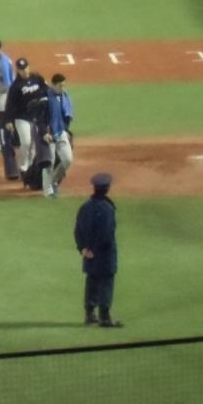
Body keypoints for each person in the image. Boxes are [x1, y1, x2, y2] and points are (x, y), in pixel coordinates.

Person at [74, 172, 122, 327]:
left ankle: (89, 315)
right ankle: (104, 317)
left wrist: (83, 249)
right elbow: (106, 234)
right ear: (107, 189)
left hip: (89, 254)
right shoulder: (107, 209)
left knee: (92, 282)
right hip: (104, 253)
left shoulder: (85, 207)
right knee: (106, 282)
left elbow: (78, 231)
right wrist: (96, 249)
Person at [5, 58, 47, 174]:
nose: (24, 71)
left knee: (34, 143)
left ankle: (31, 165)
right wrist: (9, 120)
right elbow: (10, 104)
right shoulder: (15, 86)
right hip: (22, 117)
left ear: (28, 67)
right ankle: (23, 166)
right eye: (21, 69)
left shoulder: (37, 78)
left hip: (37, 117)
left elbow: (46, 90)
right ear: (18, 70)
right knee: (26, 142)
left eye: (25, 68)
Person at [41, 73, 73, 197]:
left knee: (68, 159)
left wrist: (66, 130)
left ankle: (53, 181)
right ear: (53, 85)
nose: (63, 88)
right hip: (48, 134)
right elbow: (40, 118)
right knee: (50, 162)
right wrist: (44, 132)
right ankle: (47, 190)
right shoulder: (45, 97)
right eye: (60, 86)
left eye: (64, 85)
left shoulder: (64, 97)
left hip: (61, 132)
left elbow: (66, 116)